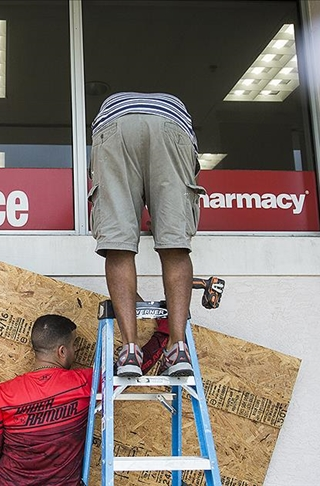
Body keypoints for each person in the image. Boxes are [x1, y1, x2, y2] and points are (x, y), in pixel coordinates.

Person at [0, 314, 168, 486]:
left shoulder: (4, 394)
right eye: (73, 347)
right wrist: (165, 333)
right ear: (62, 351)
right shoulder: (84, 384)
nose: (74, 352)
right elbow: (130, 370)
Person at [88, 92, 205, 378]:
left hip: (114, 123)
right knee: (175, 243)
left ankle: (130, 350)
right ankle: (178, 348)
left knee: (118, 246)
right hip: (170, 120)